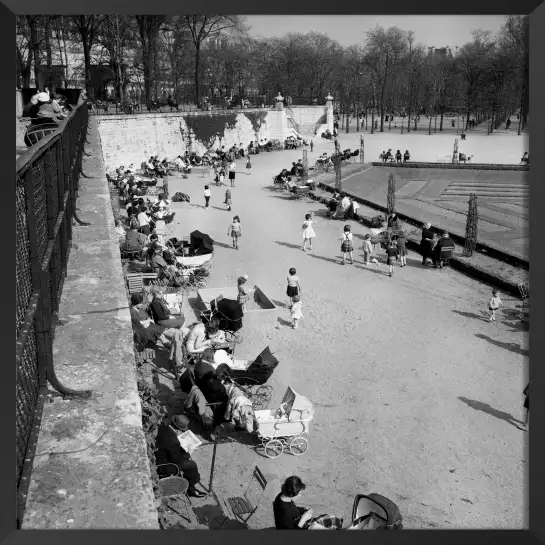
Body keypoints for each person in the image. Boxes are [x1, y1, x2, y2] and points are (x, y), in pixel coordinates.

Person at [154, 414, 206, 498]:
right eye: (182, 431)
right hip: (165, 466)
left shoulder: (163, 427)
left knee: (184, 455)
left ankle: (190, 485)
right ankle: (191, 488)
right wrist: (189, 452)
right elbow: (177, 460)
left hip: (160, 457)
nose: (182, 433)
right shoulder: (173, 440)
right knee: (191, 464)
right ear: (178, 430)